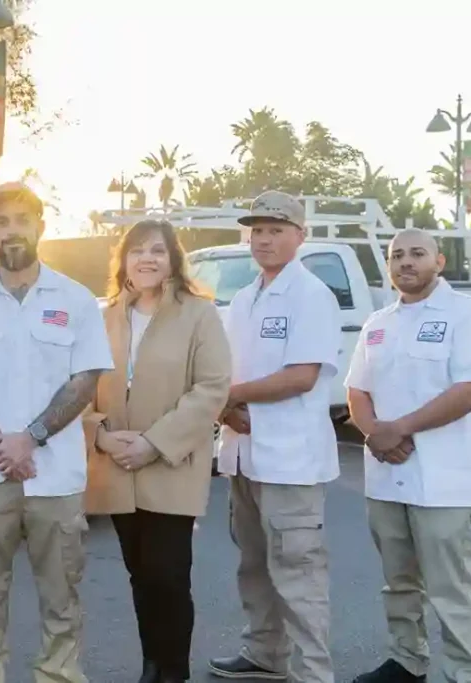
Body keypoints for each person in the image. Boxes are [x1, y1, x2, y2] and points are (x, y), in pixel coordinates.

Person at [0, 182, 114, 683]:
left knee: (62, 597)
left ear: (40, 227)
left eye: (22, 220)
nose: (12, 231)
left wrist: (28, 437)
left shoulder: (74, 301)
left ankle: (59, 676)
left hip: (57, 478)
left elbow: (85, 380)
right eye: (2, 221)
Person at [82, 219, 232, 683]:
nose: (146, 259)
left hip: (169, 462)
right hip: (116, 464)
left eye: (157, 251)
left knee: (169, 574)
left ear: (173, 260)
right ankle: (152, 664)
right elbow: (81, 384)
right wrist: (100, 435)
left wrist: (154, 443)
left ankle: (173, 671)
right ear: (123, 260)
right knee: (140, 575)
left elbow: (211, 388)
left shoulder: (198, 314)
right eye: (137, 250)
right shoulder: (104, 315)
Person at [345, 228, 471, 683]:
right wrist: (375, 434)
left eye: (417, 254)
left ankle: (467, 675)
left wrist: (399, 430)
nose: (405, 262)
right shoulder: (377, 323)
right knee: (399, 583)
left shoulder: (465, 314)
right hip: (386, 478)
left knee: (452, 590)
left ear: (439, 261)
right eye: (396, 256)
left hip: (443, 481)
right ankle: (407, 662)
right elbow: (356, 390)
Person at [208, 190, 341, 683]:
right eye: (257, 230)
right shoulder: (244, 298)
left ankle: (313, 674)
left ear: (300, 236)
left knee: (299, 572)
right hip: (243, 455)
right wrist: (223, 402)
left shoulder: (312, 296)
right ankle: (265, 654)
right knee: (254, 566)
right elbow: (222, 371)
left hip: (290, 460)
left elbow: (301, 376)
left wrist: (230, 396)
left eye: (276, 230)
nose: (263, 239)